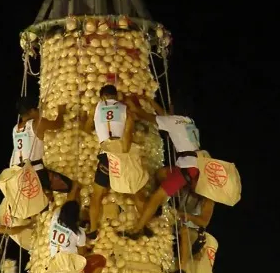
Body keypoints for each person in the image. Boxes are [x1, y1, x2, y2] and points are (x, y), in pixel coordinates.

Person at [125, 96, 202, 239]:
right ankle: (159, 202)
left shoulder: (174, 121)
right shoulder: (188, 121)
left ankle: (137, 229)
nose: (169, 108)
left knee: (156, 197)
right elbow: (165, 117)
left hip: (186, 168)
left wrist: (134, 108)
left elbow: (149, 117)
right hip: (192, 164)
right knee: (161, 174)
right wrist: (150, 101)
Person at [82, 85, 136, 240]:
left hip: (106, 156)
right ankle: (141, 225)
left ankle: (92, 229)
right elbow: (129, 132)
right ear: (116, 96)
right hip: (122, 155)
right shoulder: (125, 109)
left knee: (97, 195)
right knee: (134, 190)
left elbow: (86, 129)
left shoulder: (97, 108)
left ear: (102, 97)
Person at [10, 97, 73, 195]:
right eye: (37, 109)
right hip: (35, 173)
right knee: (72, 186)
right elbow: (58, 124)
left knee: (45, 195)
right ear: (31, 111)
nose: (40, 111)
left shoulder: (16, 128)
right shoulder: (38, 123)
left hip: (18, 174)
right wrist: (61, 112)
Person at [173, 189, 215, 273]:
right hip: (176, 227)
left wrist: (189, 217)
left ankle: (182, 270)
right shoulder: (184, 189)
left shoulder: (207, 201)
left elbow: (204, 222)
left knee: (185, 231)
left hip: (195, 234)